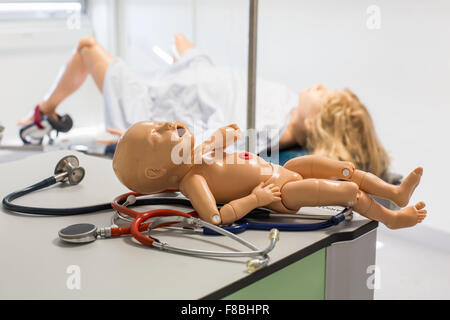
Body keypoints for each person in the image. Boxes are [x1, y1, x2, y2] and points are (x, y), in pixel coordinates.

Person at [19, 33, 390, 180]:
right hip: (192, 76)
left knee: (87, 49)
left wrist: (135, 136)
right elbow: (229, 87)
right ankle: (42, 114)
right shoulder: (287, 101)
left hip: (153, 104)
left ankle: (42, 114)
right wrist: (194, 59)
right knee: (174, 39)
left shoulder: (264, 128)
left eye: (326, 94)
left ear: (321, 122)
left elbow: (200, 146)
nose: (320, 86)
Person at [112, 120, 426, 229]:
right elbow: (216, 218)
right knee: (347, 191)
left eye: (157, 121)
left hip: (284, 170)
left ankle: (394, 192)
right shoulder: (192, 181)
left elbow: (218, 147)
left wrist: (219, 138)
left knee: (345, 169)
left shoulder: (196, 158)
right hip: (281, 195)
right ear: (156, 169)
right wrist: (256, 198)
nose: (166, 124)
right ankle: (392, 219)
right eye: (157, 134)